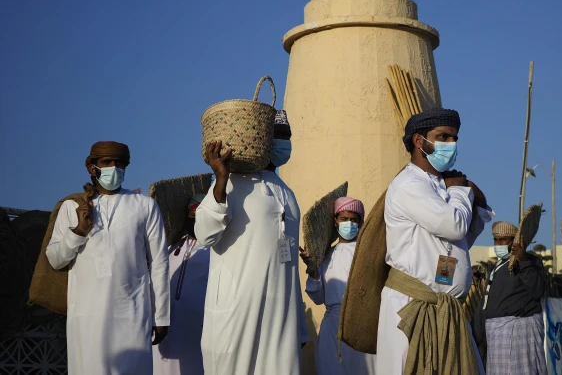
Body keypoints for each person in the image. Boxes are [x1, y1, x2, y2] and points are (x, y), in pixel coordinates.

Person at [376, 108, 494, 375]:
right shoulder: (409, 184)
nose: (451, 145)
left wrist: (477, 202)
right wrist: (461, 191)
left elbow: (458, 240)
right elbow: (454, 225)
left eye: (454, 138)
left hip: (447, 312)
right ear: (419, 141)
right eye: (443, 137)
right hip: (413, 308)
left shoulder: (443, 185)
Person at [46, 141, 170, 375]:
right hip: (86, 316)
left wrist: (161, 315)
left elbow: (159, 263)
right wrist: (78, 232)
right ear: (92, 168)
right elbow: (55, 260)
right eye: (107, 162)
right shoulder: (72, 206)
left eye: (119, 163)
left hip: (132, 315)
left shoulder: (145, 205)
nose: (114, 167)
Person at [194, 139, 308, 374]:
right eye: (278, 136)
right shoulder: (231, 183)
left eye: (287, 136)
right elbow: (205, 234)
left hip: (281, 321)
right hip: (236, 315)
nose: (284, 143)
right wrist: (221, 181)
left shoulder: (287, 192)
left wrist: (299, 325)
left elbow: (291, 266)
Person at [301, 196, 376, 375]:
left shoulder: (368, 255)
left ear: (360, 223)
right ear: (335, 221)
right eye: (344, 219)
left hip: (362, 326)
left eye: (353, 220)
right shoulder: (327, 256)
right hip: (333, 329)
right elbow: (318, 298)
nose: (349, 223)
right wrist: (312, 270)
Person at [477, 220, 547, 374]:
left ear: (514, 241)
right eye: (495, 239)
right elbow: (486, 302)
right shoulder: (497, 266)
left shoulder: (531, 261)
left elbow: (537, 291)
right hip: (496, 336)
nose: (498, 243)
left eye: (503, 239)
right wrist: (477, 334)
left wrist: (523, 261)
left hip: (519, 333)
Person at [153, 194, 210, 375]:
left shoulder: (217, 252)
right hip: (166, 329)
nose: (194, 220)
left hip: (198, 330)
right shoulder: (170, 248)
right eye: (191, 216)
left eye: (199, 216)